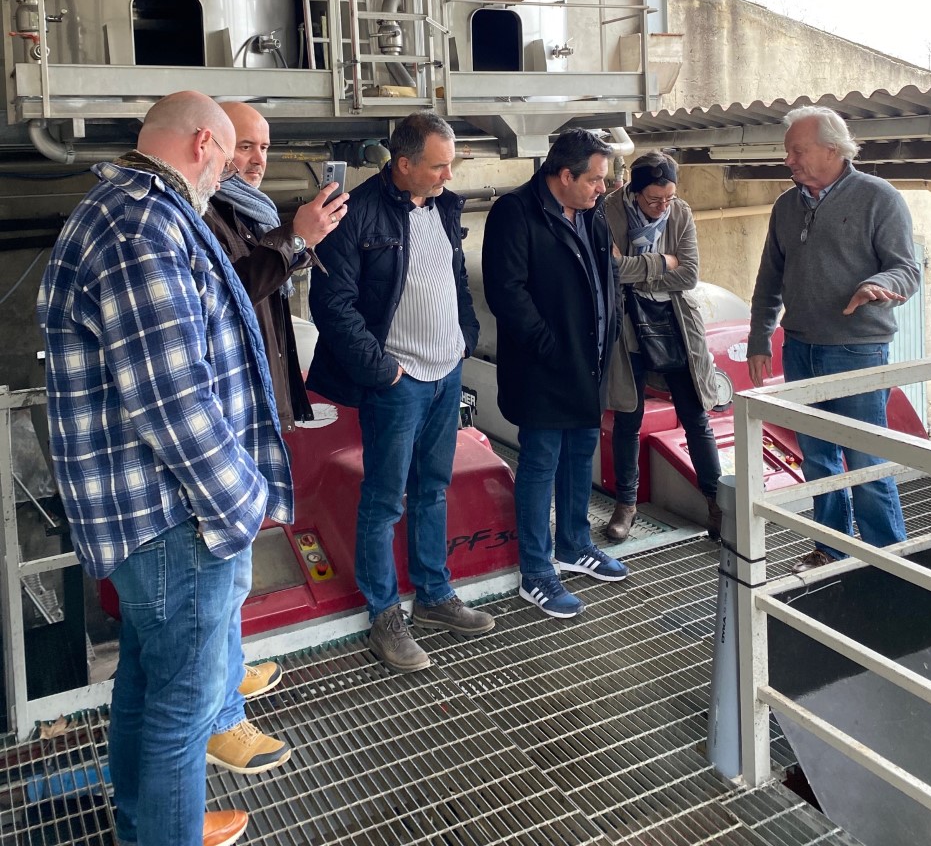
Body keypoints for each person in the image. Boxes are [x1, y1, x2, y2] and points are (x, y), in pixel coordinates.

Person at [38, 91, 293, 846]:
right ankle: (166, 832)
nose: (232, 170)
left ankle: (149, 821)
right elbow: (171, 400)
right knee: (185, 704)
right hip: (176, 515)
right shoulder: (140, 227)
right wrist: (241, 497)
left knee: (148, 681)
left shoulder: (135, 211)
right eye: (230, 152)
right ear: (204, 144)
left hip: (156, 510)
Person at [306, 111, 492, 672]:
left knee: (433, 487)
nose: (448, 176)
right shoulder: (356, 213)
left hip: (446, 373)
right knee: (385, 499)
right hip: (399, 382)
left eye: (451, 165)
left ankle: (433, 594)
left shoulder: (444, 206)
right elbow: (331, 304)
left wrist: (465, 337)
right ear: (403, 164)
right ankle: (385, 615)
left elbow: (454, 280)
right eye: (438, 166)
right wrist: (382, 370)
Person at [203, 101, 348, 775]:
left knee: (235, 565)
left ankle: (227, 668)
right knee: (219, 572)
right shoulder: (204, 213)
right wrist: (296, 240)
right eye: (244, 146)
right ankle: (219, 719)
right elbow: (232, 295)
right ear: (209, 145)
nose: (257, 159)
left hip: (251, 411)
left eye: (264, 146)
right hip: (222, 419)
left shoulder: (246, 213)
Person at [747, 105, 920, 573]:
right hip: (800, 349)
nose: (788, 160)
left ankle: (889, 559)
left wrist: (879, 284)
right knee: (818, 459)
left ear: (832, 149)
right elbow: (770, 278)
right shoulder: (786, 206)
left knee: (865, 460)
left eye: (797, 151)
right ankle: (831, 547)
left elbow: (907, 269)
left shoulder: (878, 198)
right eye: (788, 152)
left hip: (857, 350)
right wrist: (760, 338)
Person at [482, 128, 626, 620]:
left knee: (580, 455)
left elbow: (607, 278)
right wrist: (549, 346)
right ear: (564, 175)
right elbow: (507, 293)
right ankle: (537, 571)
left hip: (588, 362)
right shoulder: (515, 212)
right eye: (594, 179)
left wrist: (606, 337)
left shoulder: (592, 213)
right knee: (541, 462)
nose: (602, 188)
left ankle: (574, 544)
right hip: (542, 368)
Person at [603, 151, 722, 542]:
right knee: (628, 416)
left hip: (676, 324)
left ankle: (716, 502)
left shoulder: (680, 213)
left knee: (696, 416)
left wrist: (638, 271)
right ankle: (626, 504)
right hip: (627, 325)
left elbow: (689, 275)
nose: (662, 207)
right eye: (654, 199)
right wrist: (662, 263)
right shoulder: (608, 212)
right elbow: (610, 272)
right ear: (635, 192)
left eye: (669, 197)